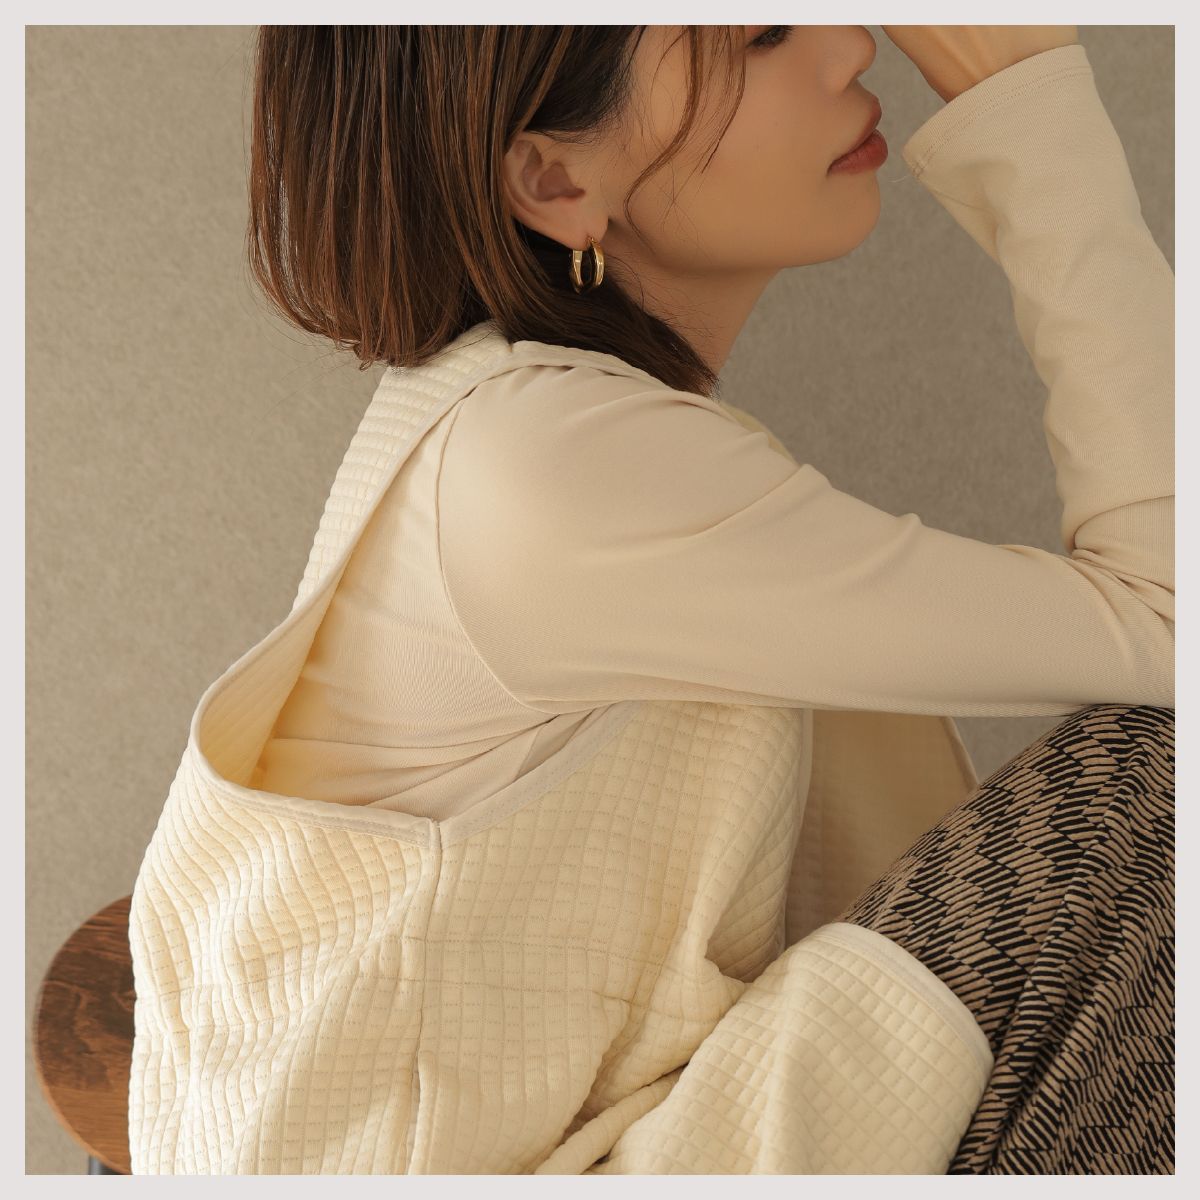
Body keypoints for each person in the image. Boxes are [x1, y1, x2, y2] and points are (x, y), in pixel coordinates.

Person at [127, 26, 1173, 1174]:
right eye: (755, 35)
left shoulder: (511, 427)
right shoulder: (554, 467)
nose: (848, 42)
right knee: (1153, 778)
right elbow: (1172, 621)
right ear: (555, 181)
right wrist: (1028, 106)